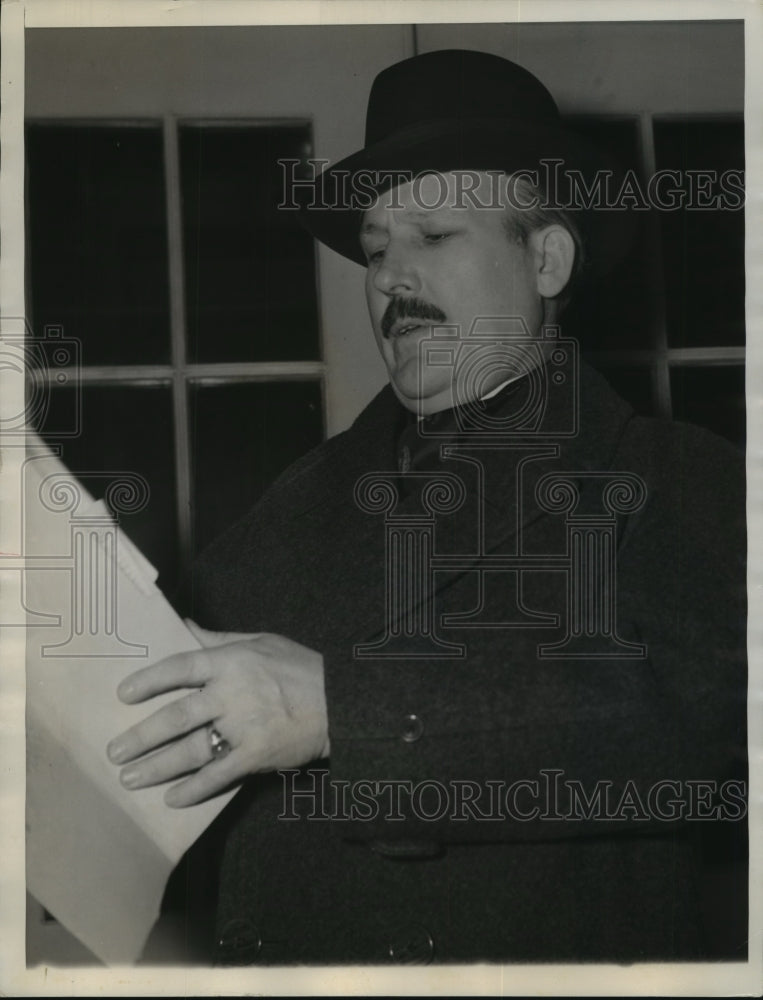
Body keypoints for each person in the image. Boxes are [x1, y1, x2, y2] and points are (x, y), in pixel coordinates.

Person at [108, 50, 747, 964]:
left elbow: (699, 716)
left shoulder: (672, 476)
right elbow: (145, 707)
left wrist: (344, 713)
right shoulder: (291, 505)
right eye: (375, 250)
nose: (389, 280)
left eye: (434, 236)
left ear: (547, 258)